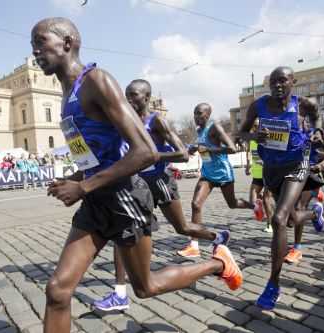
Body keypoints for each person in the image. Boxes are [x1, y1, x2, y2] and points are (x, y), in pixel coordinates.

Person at [31, 17, 242, 333]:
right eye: (32, 45)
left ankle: (218, 264)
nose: (35, 51)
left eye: (40, 42)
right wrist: (77, 178)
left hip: (125, 199)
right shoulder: (67, 93)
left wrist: (84, 186)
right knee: (58, 291)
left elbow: (146, 151)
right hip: (97, 200)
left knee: (146, 287)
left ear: (66, 42)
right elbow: (98, 156)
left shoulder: (96, 81)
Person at [93, 79, 231, 311]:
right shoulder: (126, 121)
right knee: (122, 234)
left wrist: (151, 156)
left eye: (134, 95)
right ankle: (119, 294)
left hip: (160, 182)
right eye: (126, 95)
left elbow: (182, 154)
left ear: (147, 98)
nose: (128, 99)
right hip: (136, 184)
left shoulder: (157, 120)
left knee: (183, 228)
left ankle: (217, 236)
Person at [239, 66, 324, 310]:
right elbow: (242, 132)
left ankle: (273, 283)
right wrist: (255, 136)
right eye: (273, 81)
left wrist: (317, 130)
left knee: (278, 219)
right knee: (291, 219)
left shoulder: (302, 104)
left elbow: (317, 115)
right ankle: (314, 213)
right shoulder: (259, 106)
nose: (277, 85)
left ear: (292, 82)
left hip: (298, 162)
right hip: (271, 168)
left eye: (282, 81)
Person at [177, 103, 254, 257]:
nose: (196, 117)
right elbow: (201, 147)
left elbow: (232, 148)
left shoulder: (215, 128)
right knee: (195, 204)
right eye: (194, 113)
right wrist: (194, 148)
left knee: (232, 204)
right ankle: (194, 245)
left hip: (223, 173)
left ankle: (254, 206)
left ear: (207, 114)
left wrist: (210, 149)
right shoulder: (199, 130)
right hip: (207, 175)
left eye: (199, 113)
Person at [285, 128, 324, 264]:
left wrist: (321, 164)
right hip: (291, 173)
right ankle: (315, 214)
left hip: (309, 175)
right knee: (289, 220)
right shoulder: (288, 128)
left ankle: (296, 249)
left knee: (299, 208)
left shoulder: (315, 131)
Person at [245, 119, 274, 233]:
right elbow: (248, 151)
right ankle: (260, 204)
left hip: (268, 172)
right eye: (254, 126)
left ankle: (270, 224)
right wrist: (247, 165)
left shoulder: (268, 138)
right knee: (252, 201)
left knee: (268, 198)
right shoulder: (252, 139)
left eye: (258, 126)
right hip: (257, 173)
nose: (256, 128)